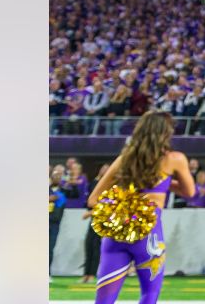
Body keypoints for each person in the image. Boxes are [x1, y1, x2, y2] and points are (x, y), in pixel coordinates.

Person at [85, 110, 196, 303]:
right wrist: (165, 182)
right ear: (165, 133)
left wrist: (120, 210)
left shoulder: (124, 159)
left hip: (117, 233)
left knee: (103, 301)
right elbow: (190, 192)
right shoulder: (174, 159)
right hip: (148, 234)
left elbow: (94, 199)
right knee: (149, 295)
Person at [80, 164, 110, 284]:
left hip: (103, 218)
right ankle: (86, 274)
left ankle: (92, 274)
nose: (104, 171)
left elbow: (108, 203)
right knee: (89, 245)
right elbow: (90, 200)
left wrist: (91, 212)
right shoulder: (95, 183)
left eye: (107, 169)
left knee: (96, 246)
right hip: (94, 217)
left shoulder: (110, 185)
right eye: (102, 168)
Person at [49, 166, 68, 275]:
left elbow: (75, 194)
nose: (57, 178)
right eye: (55, 176)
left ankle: (47, 274)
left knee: (50, 248)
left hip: (55, 223)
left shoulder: (64, 191)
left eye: (59, 176)